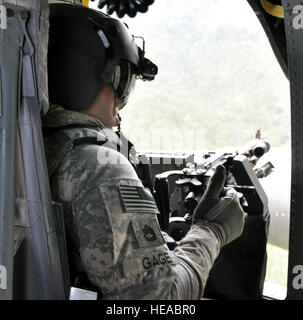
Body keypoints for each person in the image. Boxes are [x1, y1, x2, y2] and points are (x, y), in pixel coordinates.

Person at [42, 3, 245, 300]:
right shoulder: (98, 166)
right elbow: (160, 300)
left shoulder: (28, 145)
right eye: (122, 82)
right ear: (83, 74)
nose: (121, 102)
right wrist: (210, 231)